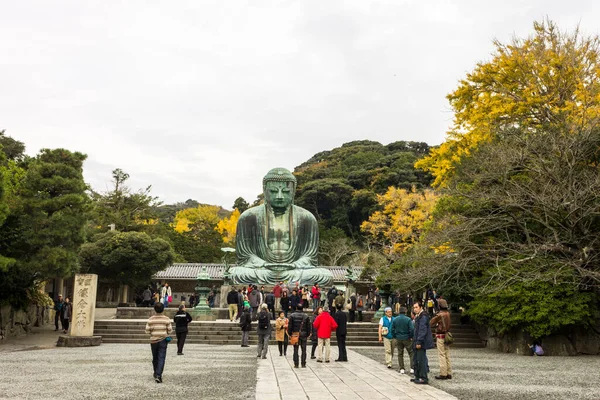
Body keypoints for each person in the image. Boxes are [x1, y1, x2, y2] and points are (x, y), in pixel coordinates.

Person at [228, 168, 333, 285]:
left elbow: (310, 257)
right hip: (262, 270)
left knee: (324, 275)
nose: (279, 196)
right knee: (234, 273)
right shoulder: (249, 217)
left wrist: (294, 265)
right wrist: (264, 264)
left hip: (295, 270)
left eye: (286, 192)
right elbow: (245, 256)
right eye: (273, 191)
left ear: (293, 192)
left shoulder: (307, 218)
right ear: (264, 190)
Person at [145, 303, 173, 383]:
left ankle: (156, 372)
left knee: (155, 357)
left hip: (154, 340)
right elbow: (170, 330)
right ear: (163, 309)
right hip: (163, 340)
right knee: (161, 357)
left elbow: (147, 331)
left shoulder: (151, 319)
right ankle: (158, 375)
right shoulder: (166, 319)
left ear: (155, 309)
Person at [412, 301, 434, 385]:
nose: (415, 309)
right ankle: (417, 376)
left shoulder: (423, 316)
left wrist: (419, 341)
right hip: (416, 340)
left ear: (421, 307)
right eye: (414, 307)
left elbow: (422, 330)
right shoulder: (418, 316)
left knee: (421, 360)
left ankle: (423, 377)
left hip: (421, 342)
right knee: (416, 359)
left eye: (416, 307)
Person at [430, 298, 452, 380]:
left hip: (440, 336)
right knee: (447, 354)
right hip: (447, 336)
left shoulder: (439, 315)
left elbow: (431, 322)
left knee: (441, 354)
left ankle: (443, 373)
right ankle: (449, 372)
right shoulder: (448, 314)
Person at [392, 306, 414, 375]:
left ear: (399, 311)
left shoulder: (395, 319)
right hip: (407, 337)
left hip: (398, 337)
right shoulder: (408, 319)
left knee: (400, 353)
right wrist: (411, 336)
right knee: (411, 353)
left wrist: (395, 336)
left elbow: (392, 329)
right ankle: (412, 368)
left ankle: (401, 368)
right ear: (405, 311)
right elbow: (411, 329)